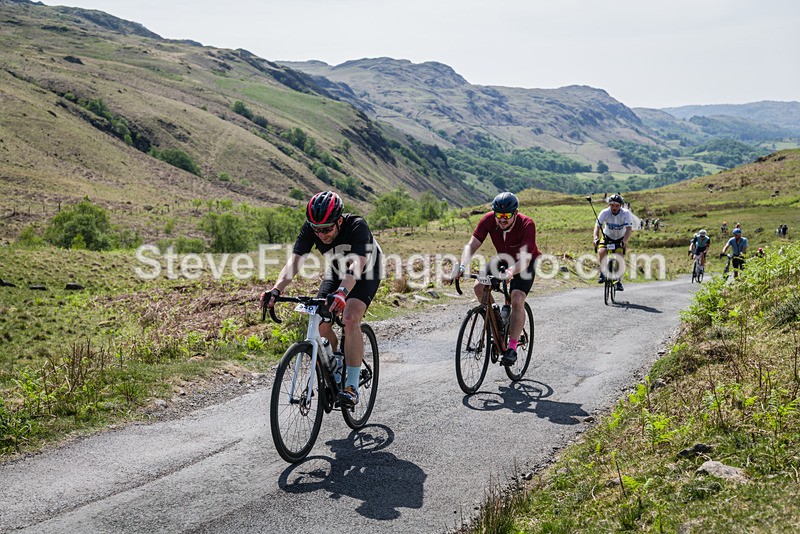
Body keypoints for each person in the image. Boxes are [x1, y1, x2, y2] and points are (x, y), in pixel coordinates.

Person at [262, 191, 382, 407]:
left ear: (339, 220)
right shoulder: (312, 228)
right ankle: (336, 363)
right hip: (337, 269)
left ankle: (351, 386)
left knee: (351, 317)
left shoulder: (357, 226)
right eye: (316, 230)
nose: (321, 235)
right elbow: (295, 262)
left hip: (366, 270)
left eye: (326, 229)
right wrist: (276, 289)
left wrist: (343, 293)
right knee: (320, 323)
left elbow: (357, 265)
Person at [452, 192, 541, 366]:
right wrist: (462, 265)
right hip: (503, 258)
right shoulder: (488, 220)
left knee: (516, 299)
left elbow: (525, 259)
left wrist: (510, 273)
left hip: (524, 263)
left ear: (515, 213)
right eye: (499, 215)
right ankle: (496, 320)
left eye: (507, 215)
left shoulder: (527, 224)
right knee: (479, 286)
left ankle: (512, 348)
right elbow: (472, 244)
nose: (502, 219)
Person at [593, 193, 633, 291]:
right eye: (612, 205)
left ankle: (618, 280)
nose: (614, 208)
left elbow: (628, 229)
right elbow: (597, 226)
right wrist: (595, 238)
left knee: (619, 256)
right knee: (601, 251)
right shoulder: (604, 212)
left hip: (620, 238)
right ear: (609, 205)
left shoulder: (626, 213)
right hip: (607, 236)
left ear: (621, 206)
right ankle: (603, 272)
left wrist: (624, 241)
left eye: (617, 205)